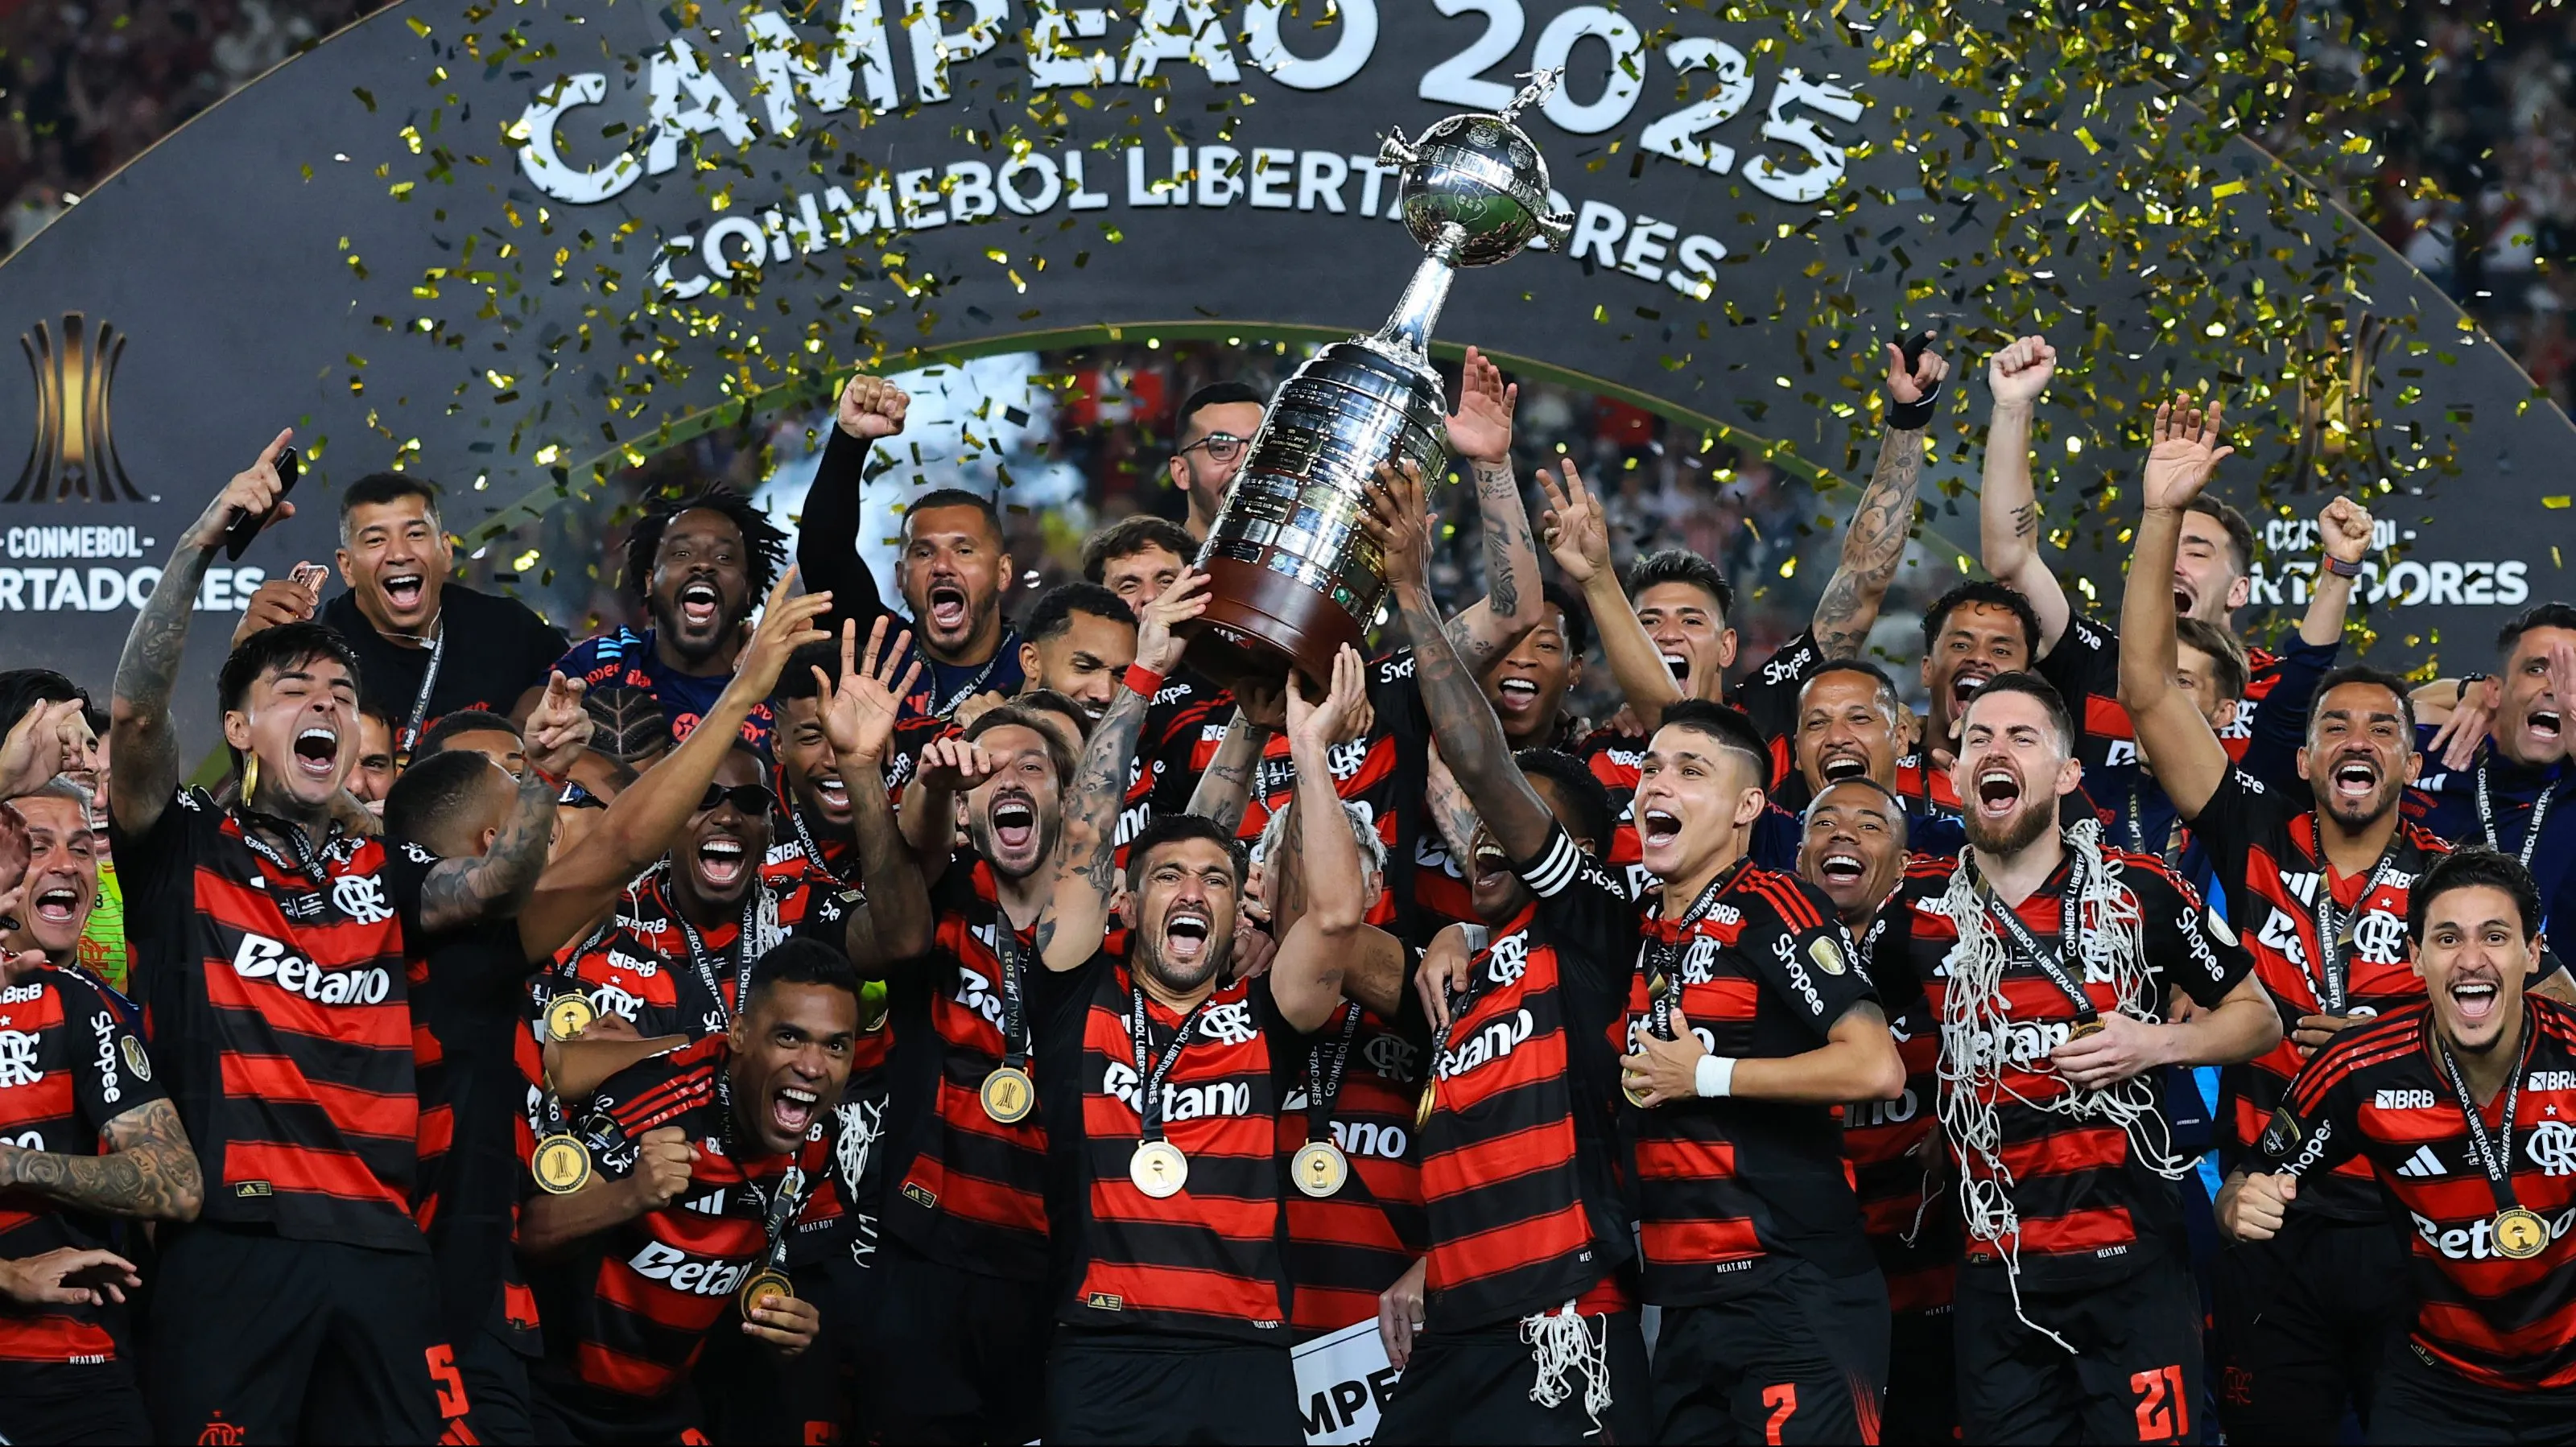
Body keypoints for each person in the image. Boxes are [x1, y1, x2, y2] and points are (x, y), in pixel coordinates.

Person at [107, 435, 559, 1443]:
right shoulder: (183, 846)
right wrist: (202, 545)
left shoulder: (381, 871)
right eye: (294, 692)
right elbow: (136, 714)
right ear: (238, 729)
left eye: (343, 699)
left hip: (384, 1250)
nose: (325, 705)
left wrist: (543, 791)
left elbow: (496, 881)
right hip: (235, 1244)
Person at [2113, 397, 2465, 1442]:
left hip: (2419, 1220)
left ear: (2410, 762)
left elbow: (2553, 1013)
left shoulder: (2459, 883)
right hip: (2269, 1211)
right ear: (2303, 758)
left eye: (2384, 726)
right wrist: (2159, 516)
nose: (2359, 737)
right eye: (2334, 724)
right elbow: (2142, 685)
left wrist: (2414, 1037)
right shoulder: (2250, 824)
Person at [1859, 673, 2280, 1444]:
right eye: (1979, 738)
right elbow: (1849, 1032)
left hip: (2132, 1270)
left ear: (2067, 773)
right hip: (1998, 1273)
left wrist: (2155, 1043)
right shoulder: (1916, 912)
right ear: (1954, 774)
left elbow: (2260, 1019)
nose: (1997, 751)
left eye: (2023, 738)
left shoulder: (2141, 891)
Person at [1026, 603, 1365, 1443]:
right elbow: (1079, 837)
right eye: (1167, 874)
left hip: (1244, 1358)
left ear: (1234, 907)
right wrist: (1141, 675)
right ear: (1126, 903)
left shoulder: (1263, 1013)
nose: (1190, 891)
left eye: (1215, 879)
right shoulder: (1079, 995)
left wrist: (1309, 751)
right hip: (1102, 1354)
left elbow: (1332, 916)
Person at [1358, 460, 1647, 1445]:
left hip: (1564, 1318)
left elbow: (1479, 759)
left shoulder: (1589, 926)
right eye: (1484, 819)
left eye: (1521, 819)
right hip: (1459, 1321)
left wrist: (1406, 589)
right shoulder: (1463, 970)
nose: (1491, 826)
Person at [1614, 699, 1904, 1445]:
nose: (1658, 786)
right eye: (1650, 768)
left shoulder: (1772, 901)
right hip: (1680, 1305)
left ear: (1747, 806)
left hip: (1791, 1290)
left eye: (1690, 770)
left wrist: (1707, 1077)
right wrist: (1461, 930)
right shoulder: (1641, 924)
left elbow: (1876, 1066)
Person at [2220, 850, 2576, 1442]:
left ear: (2533, 953)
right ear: (2415, 958)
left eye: (2495, 936)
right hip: (2440, 1393)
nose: (2470, 960)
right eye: (2446, 938)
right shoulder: (2358, 1072)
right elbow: (2247, 1184)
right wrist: (2238, 1207)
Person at [518, 940, 864, 1443]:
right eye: (790, 1038)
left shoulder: (815, 1137)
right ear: (741, 1033)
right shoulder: (645, 1104)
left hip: (668, 1406)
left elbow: (749, 1257)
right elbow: (529, 1231)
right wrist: (631, 1195)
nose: (813, 1067)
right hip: (556, 1398)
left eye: (836, 1046)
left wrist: (783, 1323)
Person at [1978, 336, 2289, 772]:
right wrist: (2012, 408)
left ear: (2239, 591)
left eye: (2197, 553)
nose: (2174, 564)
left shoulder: (2285, 687)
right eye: (2167, 549)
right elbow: (2011, 558)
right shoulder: (2099, 661)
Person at [0, 797, 203, 1445]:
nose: (65, 865)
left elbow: (175, 1183)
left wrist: (11, 1165)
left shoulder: (80, 1005)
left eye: (83, 848)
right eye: (35, 847)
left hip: (71, 1375)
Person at [1803, 777, 1959, 1445]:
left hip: (1935, 1274)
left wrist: (1956, 1123)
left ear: (1901, 865)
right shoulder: (1757, 953)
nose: (1843, 833)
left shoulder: (1954, 953)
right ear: (1801, 856)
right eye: (1826, 823)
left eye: (1869, 825)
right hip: (1814, 1283)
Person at [231, 472, 570, 746]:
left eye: (415, 534)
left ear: (446, 551)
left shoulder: (507, 629)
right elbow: (257, 742)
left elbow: (572, 683)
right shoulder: (314, 648)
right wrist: (245, 657)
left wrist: (524, 723)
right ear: (347, 567)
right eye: (376, 540)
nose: (398, 553)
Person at [555, 485, 791, 748]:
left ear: (748, 589)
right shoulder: (603, 663)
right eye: (681, 553)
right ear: (650, 581)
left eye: (724, 557)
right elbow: (519, 736)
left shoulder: (782, 680)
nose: (703, 564)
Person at [2406, 601, 2576, 939]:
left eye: (2571, 674)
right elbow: (2364, 715)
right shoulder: (2435, 748)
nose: (2557, 688)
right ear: (2495, 691)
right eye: (2538, 669)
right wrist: (2462, 691)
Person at [1016, 581, 1138, 724]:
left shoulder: (1139, 742)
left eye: (1121, 676)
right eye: (1084, 668)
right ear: (1031, 661)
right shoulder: (986, 738)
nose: (1104, 694)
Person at [1165, 381, 1266, 541]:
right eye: (1222, 448)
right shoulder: (1163, 564)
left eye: (1260, 445)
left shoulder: (1305, 562)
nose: (1246, 463)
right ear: (1182, 472)